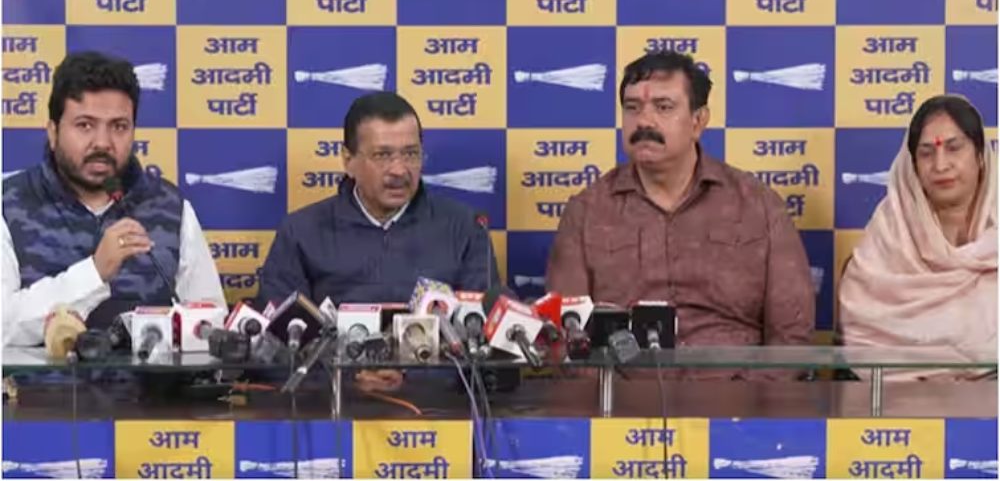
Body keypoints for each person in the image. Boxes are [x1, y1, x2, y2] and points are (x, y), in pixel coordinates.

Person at [546, 51, 814, 378]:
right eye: (632, 107)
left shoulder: (759, 206)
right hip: (621, 399)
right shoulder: (587, 211)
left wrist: (746, 399)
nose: (644, 121)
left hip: (737, 398)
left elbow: (791, 335)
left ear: (698, 121)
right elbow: (565, 336)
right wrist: (613, 398)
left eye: (663, 107)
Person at [258, 91, 499, 391]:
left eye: (411, 154)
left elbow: (486, 343)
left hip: (438, 406)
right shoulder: (301, 231)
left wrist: (411, 378)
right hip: (332, 407)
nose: (399, 170)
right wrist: (347, 379)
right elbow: (275, 349)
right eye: (383, 155)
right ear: (348, 161)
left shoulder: (465, 227)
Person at [2, 51, 225, 347]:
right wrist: (94, 273)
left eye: (119, 126)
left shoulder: (170, 206)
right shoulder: (9, 203)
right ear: (53, 132)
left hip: (152, 380)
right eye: (85, 125)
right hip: (43, 379)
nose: (103, 143)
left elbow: (211, 325)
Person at [839, 94, 997, 381]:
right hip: (895, 399)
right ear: (911, 165)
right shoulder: (889, 234)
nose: (940, 165)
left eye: (954, 148)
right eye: (926, 153)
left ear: (979, 155)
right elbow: (863, 334)